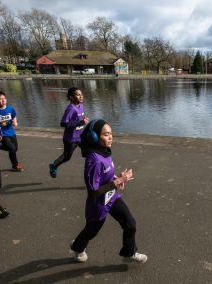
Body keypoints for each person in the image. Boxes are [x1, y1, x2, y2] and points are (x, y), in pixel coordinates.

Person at [70, 119, 147, 263]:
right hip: (98, 204)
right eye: (106, 134)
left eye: (111, 133)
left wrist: (117, 178)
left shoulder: (105, 152)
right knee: (91, 231)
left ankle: (130, 252)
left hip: (111, 197)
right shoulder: (94, 160)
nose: (110, 137)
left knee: (130, 224)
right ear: (95, 137)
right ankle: (77, 246)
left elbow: (106, 175)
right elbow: (93, 192)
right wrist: (117, 182)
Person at [49, 87, 89, 178]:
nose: (81, 96)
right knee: (67, 157)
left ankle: (92, 169)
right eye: (78, 95)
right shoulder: (71, 108)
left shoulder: (81, 105)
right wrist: (81, 122)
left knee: (90, 150)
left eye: (81, 94)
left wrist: (83, 120)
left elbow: (77, 119)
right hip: (71, 139)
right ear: (71, 97)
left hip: (81, 136)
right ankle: (54, 165)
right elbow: (63, 123)